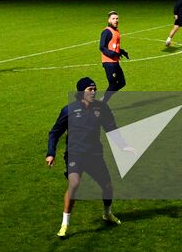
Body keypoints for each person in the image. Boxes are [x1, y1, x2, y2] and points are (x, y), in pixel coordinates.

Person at [46, 76, 126, 238]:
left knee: (108, 188)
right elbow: (55, 133)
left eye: (95, 89)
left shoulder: (102, 109)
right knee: (74, 184)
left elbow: (111, 128)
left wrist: (124, 146)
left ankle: (107, 214)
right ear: (81, 91)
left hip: (95, 154)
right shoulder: (69, 110)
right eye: (90, 89)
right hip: (75, 154)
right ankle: (65, 224)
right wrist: (51, 153)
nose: (94, 92)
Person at [99, 11, 129, 102]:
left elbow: (114, 46)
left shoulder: (116, 31)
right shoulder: (107, 31)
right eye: (113, 19)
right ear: (109, 20)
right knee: (112, 83)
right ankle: (103, 103)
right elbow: (102, 47)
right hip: (108, 62)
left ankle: (105, 97)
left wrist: (122, 52)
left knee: (122, 83)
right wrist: (113, 54)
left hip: (115, 62)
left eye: (117, 18)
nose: (115, 20)